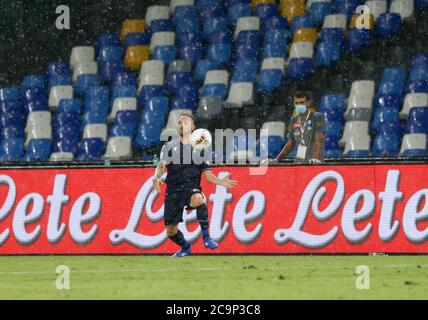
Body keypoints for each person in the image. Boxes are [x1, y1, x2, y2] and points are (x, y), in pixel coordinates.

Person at [152, 114, 238, 257]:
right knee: (171, 231)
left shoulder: (201, 149)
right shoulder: (169, 146)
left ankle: (207, 238)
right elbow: (161, 166)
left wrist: (220, 181)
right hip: (173, 191)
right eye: (179, 122)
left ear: (193, 127)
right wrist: (156, 176)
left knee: (198, 198)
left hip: (191, 188)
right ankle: (185, 247)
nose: (182, 125)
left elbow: (208, 174)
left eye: (186, 122)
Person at [264, 91, 326, 164]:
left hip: (314, 164)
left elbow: (318, 139)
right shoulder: (294, 120)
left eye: (302, 102)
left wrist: (315, 159)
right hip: (298, 164)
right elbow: (290, 143)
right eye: (296, 103)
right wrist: (277, 159)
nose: (299, 105)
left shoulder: (317, 117)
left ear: (308, 103)